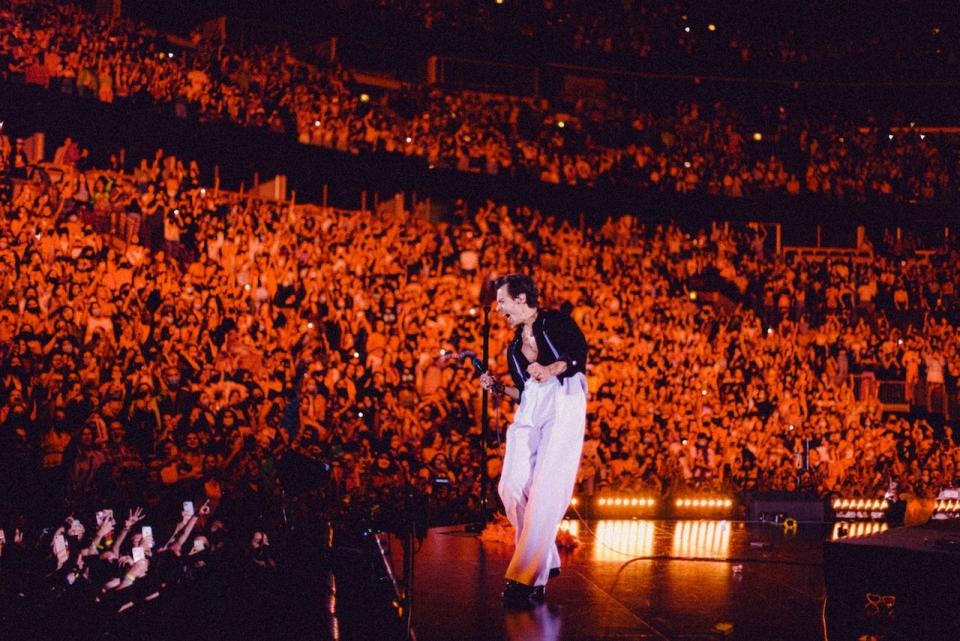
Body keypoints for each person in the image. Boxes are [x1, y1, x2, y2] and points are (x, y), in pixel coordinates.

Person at [480, 273, 588, 607]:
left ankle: (524, 577)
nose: (498, 309)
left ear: (522, 299)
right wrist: (500, 387)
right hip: (531, 405)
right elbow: (523, 391)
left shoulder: (555, 321)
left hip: (563, 397)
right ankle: (546, 558)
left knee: (545, 489)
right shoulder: (514, 346)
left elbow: (576, 356)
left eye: (502, 301)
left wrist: (551, 368)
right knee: (509, 487)